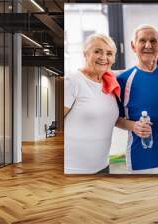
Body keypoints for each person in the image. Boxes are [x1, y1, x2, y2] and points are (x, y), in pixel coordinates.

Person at [116, 24, 158, 174]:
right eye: (142, 41)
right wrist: (133, 126)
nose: (148, 45)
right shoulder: (123, 79)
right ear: (133, 46)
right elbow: (115, 119)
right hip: (142, 158)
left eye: (153, 41)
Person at [64, 34, 121, 174]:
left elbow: (136, 70)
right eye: (97, 51)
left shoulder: (109, 81)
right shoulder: (73, 81)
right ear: (85, 54)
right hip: (73, 169)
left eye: (109, 53)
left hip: (102, 166)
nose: (103, 57)